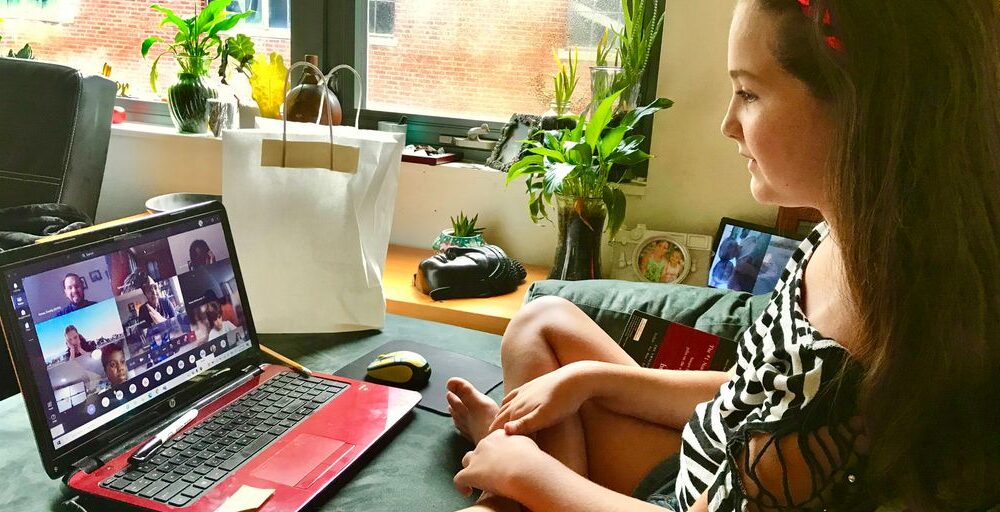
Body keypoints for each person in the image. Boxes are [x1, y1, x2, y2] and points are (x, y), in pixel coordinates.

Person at [445, 1, 999, 511]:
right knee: (540, 321)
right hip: (700, 460)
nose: (727, 123)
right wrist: (591, 380)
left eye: (750, 93)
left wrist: (528, 476)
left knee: (515, 474)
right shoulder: (836, 235)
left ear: (861, 108)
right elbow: (747, 394)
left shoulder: (890, 330)